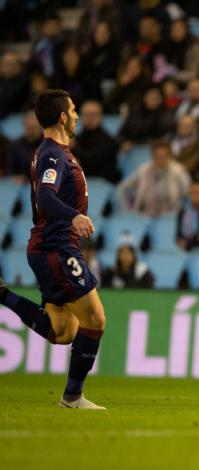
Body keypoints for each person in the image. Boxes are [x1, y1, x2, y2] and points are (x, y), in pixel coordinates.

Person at [0, 89, 106, 409]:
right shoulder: (52, 154)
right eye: (72, 110)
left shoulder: (52, 152)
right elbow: (46, 198)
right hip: (57, 248)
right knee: (95, 321)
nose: (75, 115)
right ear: (62, 116)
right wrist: (74, 216)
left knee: (62, 332)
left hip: (47, 248)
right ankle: (72, 397)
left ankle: (3, 295)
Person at [116, 140, 191, 217]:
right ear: (152, 156)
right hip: (145, 216)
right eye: (157, 156)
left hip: (171, 218)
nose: (161, 160)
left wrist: (183, 214)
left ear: (169, 156)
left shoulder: (178, 171)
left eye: (164, 156)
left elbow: (189, 193)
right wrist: (127, 212)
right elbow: (123, 188)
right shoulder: (144, 170)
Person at [72, 100, 120, 183]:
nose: (90, 118)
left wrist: (74, 148)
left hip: (103, 182)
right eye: (86, 115)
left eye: (93, 115)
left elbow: (91, 160)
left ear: (101, 117)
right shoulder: (77, 138)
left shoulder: (108, 140)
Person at [6, 112, 43, 183]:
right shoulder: (16, 145)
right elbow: (9, 169)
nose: (31, 132)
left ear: (40, 127)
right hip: (21, 184)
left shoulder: (49, 144)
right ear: (24, 127)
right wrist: (15, 177)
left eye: (34, 128)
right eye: (29, 128)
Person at [0, 50, 30, 118]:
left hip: (16, 117)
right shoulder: (2, 79)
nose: (8, 67)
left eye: (11, 64)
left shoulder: (24, 82)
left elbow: (9, 99)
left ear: (19, 66)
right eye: (5, 64)